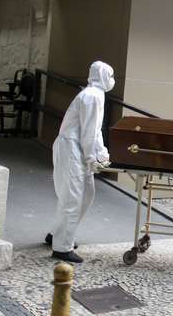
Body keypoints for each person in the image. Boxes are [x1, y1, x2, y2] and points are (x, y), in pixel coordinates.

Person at [46, 61, 114, 263]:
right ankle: (62, 247)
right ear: (102, 76)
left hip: (74, 149)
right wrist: (94, 157)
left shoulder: (94, 95)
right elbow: (89, 133)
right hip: (72, 150)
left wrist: (100, 154)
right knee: (73, 198)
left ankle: (58, 234)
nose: (112, 81)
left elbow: (93, 131)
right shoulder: (93, 96)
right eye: (110, 76)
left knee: (83, 195)